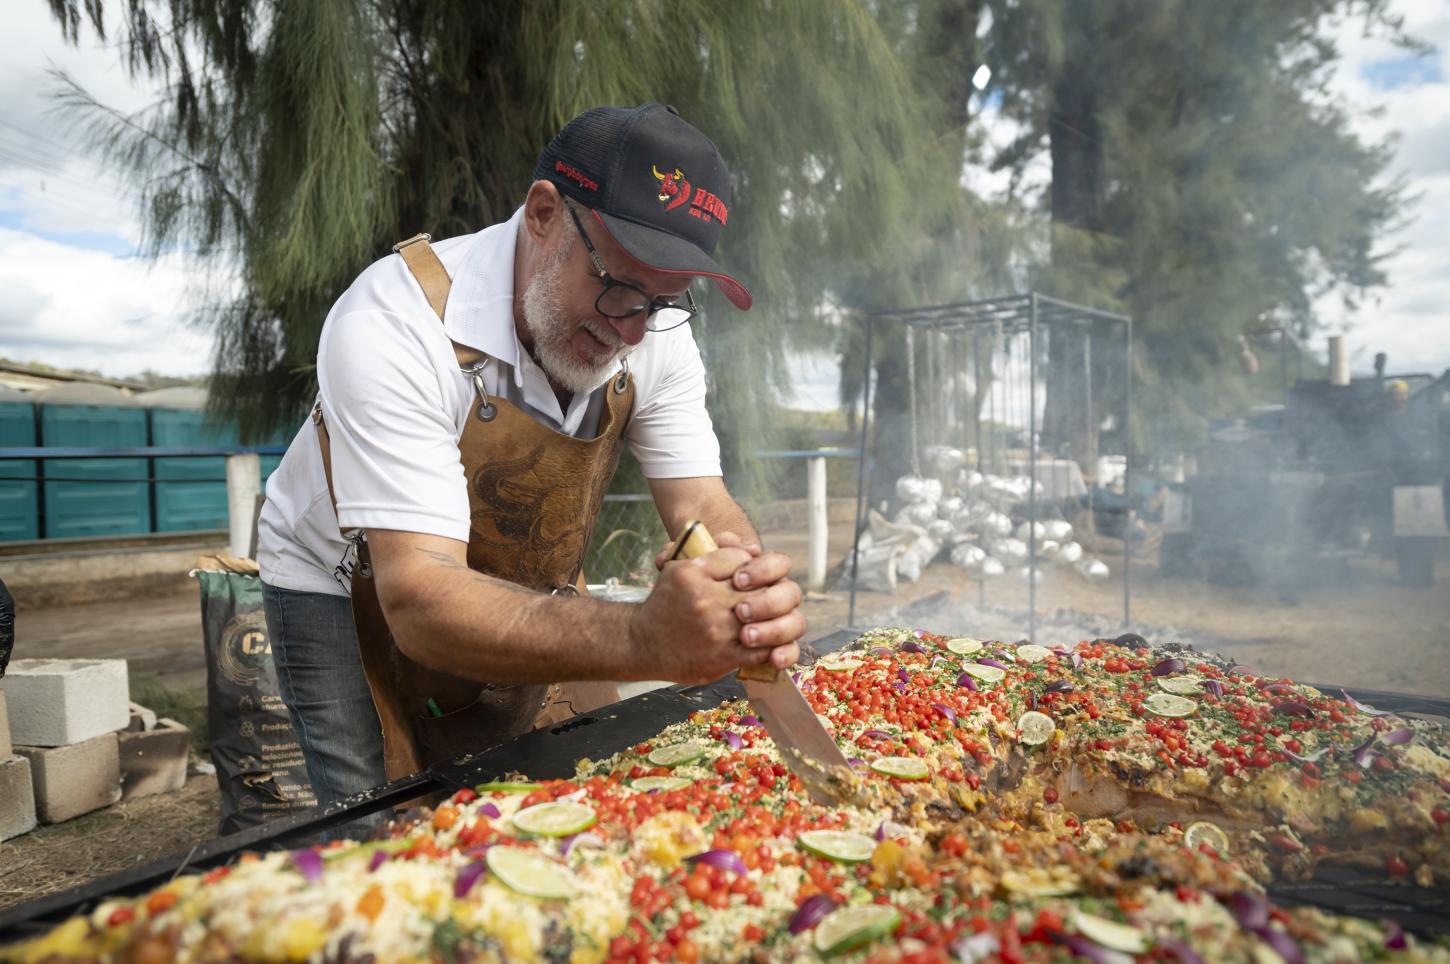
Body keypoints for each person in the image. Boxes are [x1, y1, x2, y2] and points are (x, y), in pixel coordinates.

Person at [255, 103, 804, 806]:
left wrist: (746, 592)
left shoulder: (651, 325)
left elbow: (700, 501)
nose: (633, 332)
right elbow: (422, 599)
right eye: (617, 286)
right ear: (543, 213)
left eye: (665, 300)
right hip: (345, 584)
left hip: (515, 574)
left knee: (546, 793)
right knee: (373, 819)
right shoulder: (393, 323)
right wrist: (642, 638)